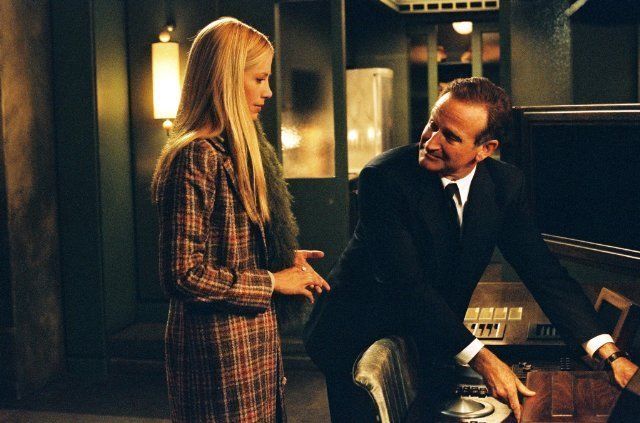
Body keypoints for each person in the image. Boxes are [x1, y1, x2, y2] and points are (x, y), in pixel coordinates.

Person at [304, 77, 638, 422]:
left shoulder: (505, 185)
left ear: (485, 149)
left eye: (450, 136)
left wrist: (608, 354)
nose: (431, 142)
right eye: (433, 124)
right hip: (354, 332)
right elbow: (407, 286)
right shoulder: (383, 178)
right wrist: (482, 358)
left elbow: (543, 273)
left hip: (430, 334)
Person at [152, 17, 330, 423]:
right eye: (259, 78)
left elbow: (228, 248)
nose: (268, 91)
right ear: (227, 79)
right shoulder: (196, 155)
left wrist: (278, 257)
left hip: (251, 345)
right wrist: (272, 281)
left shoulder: (231, 151)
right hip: (218, 352)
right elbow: (182, 275)